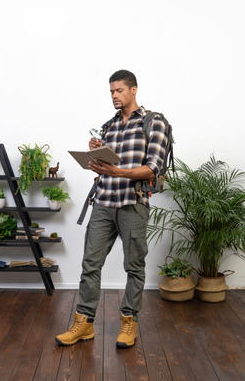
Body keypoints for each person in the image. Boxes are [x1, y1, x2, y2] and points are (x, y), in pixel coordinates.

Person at [55, 69, 168, 348]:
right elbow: (106, 166)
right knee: (90, 264)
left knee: (134, 266)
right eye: (111, 92)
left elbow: (153, 167)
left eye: (119, 90)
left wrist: (117, 172)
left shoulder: (155, 122)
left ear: (134, 90)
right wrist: (95, 152)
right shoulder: (109, 126)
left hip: (133, 204)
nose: (114, 96)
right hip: (103, 203)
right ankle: (84, 324)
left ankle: (128, 322)